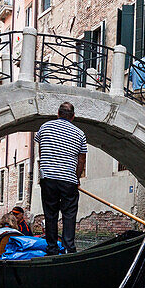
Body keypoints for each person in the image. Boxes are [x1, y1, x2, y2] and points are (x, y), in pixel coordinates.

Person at [36, 102, 87, 255]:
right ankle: (69, 249)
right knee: (69, 214)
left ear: (57, 114)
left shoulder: (44, 127)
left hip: (48, 178)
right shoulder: (80, 133)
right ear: (73, 117)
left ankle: (52, 249)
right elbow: (81, 160)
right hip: (68, 179)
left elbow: (41, 151)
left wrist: (45, 170)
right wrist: (76, 178)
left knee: (50, 214)